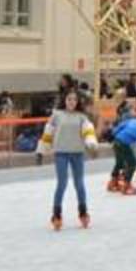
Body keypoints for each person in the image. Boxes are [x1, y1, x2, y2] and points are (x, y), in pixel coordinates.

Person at [37, 90, 98, 231]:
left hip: (77, 153)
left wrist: (91, 145)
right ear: (65, 100)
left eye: (74, 100)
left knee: (79, 184)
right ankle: (56, 214)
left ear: (77, 102)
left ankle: (83, 211)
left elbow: (88, 132)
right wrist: (41, 150)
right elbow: (48, 133)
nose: (71, 102)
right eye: (69, 99)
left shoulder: (82, 117)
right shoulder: (57, 115)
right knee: (62, 183)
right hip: (61, 153)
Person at [109, 114, 136, 196]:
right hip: (124, 144)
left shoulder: (133, 121)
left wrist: (113, 134)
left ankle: (113, 183)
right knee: (132, 163)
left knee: (119, 162)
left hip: (116, 141)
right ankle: (126, 186)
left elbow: (119, 127)